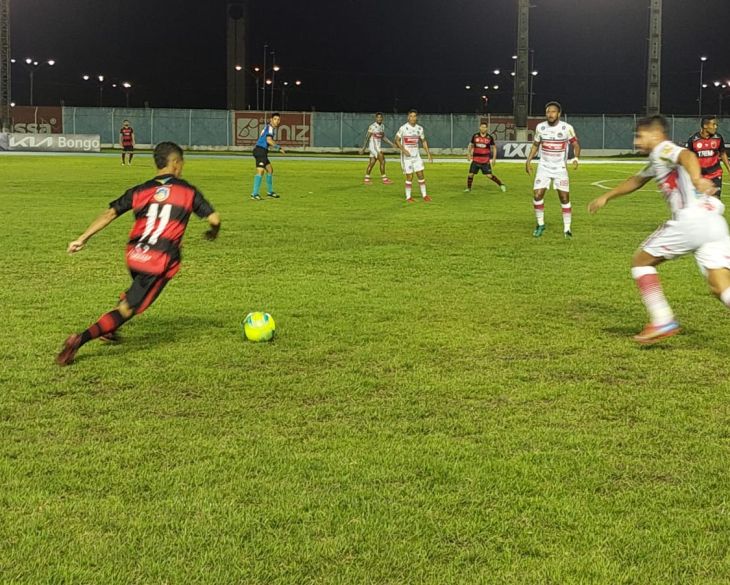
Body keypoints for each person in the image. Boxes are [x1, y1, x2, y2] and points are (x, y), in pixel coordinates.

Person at [56, 142, 221, 365]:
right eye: (181, 163)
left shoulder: (140, 190)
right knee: (127, 309)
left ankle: (110, 330)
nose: (182, 168)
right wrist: (213, 232)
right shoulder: (188, 191)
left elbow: (109, 214)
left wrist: (82, 239)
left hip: (134, 256)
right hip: (158, 261)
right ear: (175, 163)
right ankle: (80, 339)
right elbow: (215, 219)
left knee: (136, 289)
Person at [588, 115, 730, 344]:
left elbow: (687, 155)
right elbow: (637, 179)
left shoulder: (664, 149)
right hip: (714, 222)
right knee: (721, 287)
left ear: (655, 134)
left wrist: (696, 178)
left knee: (641, 262)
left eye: (639, 136)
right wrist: (607, 196)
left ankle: (662, 319)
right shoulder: (657, 159)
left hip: (691, 220)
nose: (636, 142)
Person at [526, 101, 581, 238]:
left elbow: (576, 145)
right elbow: (535, 145)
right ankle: (540, 224)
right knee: (537, 195)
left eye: (553, 112)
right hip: (543, 167)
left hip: (560, 169)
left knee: (564, 198)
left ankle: (567, 229)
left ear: (559, 113)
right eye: (548, 112)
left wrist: (576, 158)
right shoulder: (540, 127)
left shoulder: (566, 128)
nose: (550, 114)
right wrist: (528, 160)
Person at [394, 109, 434, 203]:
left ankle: (424, 195)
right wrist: (404, 150)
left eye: (414, 116)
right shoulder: (403, 128)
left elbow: (423, 141)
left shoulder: (419, 129)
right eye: (411, 116)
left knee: (421, 175)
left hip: (416, 157)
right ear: (408, 117)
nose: (412, 118)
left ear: (416, 117)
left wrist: (428, 154)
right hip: (407, 157)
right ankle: (408, 197)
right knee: (410, 177)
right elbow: (396, 140)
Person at [685, 116, 730, 198]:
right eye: (713, 124)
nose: (716, 127)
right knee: (700, 204)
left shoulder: (718, 138)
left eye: (716, 125)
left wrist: (729, 169)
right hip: (700, 176)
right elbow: (688, 158)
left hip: (715, 174)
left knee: (715, 201)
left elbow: (722, 153)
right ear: (705, 126)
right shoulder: (693, 140)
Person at [251, 113, 285, 200]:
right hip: (260, 151)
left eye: (278, 119)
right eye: (275, 119)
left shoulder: (269, 128)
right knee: (260, 171)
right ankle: (254, 194)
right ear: (271, 119)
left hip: (262, 151)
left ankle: (270, 192)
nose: (277, 121)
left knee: (270, 170)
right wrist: (278, 148)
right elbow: (269, 140)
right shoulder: (270, 128)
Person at [465, 122, 506, 193]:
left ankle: (501, 185)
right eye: (482, 127)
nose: (483, 128)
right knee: (471, 174)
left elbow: (494, 148)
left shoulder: (489, 137)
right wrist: (468, 154)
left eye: (484, 127)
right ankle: (468, 188)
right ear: (479, 128)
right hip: (476, 160)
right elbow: (471, 145)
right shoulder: (475, 136)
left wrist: (494, 159)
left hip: (485, 161)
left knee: (489, 175)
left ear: (486, 128)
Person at [360, 112, 395, 185]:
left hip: (377, 147)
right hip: (373, 147)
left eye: (380, 117)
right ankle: (384, 179)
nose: (379, 118)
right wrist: (363, 147)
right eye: (378, 117)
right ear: (375, 118)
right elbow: (367, 137)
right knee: (383, 161)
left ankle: (366, 179)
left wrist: (391, 144)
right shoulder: (372, 126)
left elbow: (383, 137)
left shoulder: (382, 126)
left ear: (382, 118)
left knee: (372, 163)